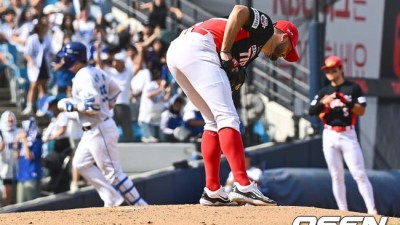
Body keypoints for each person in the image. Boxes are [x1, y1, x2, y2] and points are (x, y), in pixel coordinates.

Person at [166, 4, 299, 206]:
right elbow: (239, 11)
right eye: (289, 49)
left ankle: (212, 191)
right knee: (228, 118)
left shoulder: (252, 49)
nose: (285, 55)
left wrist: (231, 64)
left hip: (179, 52)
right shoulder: (266, 30)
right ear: (285, 37)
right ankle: (243, 185)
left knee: (212, 121)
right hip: (199, 46)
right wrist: (226, 52)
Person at [56, 41, 147, 207]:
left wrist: (71, 105)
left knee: (113, 174)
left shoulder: (83, 76)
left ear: (73, 59)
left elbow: (93, 107)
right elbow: (115, 90)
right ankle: (112, 198)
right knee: (80, 164)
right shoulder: (94, 71)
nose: (63, 61)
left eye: (66, 57)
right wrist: (109, 105)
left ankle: (141, 206)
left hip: (99, 128)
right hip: (93, 129)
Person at [308, 55, 377, 215]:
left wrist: (345, 101)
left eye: (334, 69)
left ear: (340, 69)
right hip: (329, 134)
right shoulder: (324, 91)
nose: (330, 72)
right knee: (336, 175)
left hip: (348, 134)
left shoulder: (352, 88)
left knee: (359, 173)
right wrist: (323, 102)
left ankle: (372, 210)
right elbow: (311, 111)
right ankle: (342, 211)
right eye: (327, 70)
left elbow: (362, 110)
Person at [22, 16, 53, 116]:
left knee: (43, 87)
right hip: (35, 66)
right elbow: (27, 53)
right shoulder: (32, 39)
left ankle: (42, 108)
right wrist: (31, 61)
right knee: (34, 85)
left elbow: (51, 51)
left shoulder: (47, 38)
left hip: (44, 65)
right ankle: (29, 106)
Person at [15, 117, 43, 203]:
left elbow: (28, 156)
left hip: (32, 175)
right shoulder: (21, 143)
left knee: (32, 204)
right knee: (20, 204)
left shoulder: (37, 142)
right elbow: (16, 156)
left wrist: (24, 141)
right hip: (21, 176)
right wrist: (16, 141)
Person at [0, 111, 19, 206]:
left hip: (17, 164)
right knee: (6, 191)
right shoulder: (1, 133)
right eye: (8, 120)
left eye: (12, 120)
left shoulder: (18, 132)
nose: (10, 122)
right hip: (4, 165)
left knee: (16, 192)